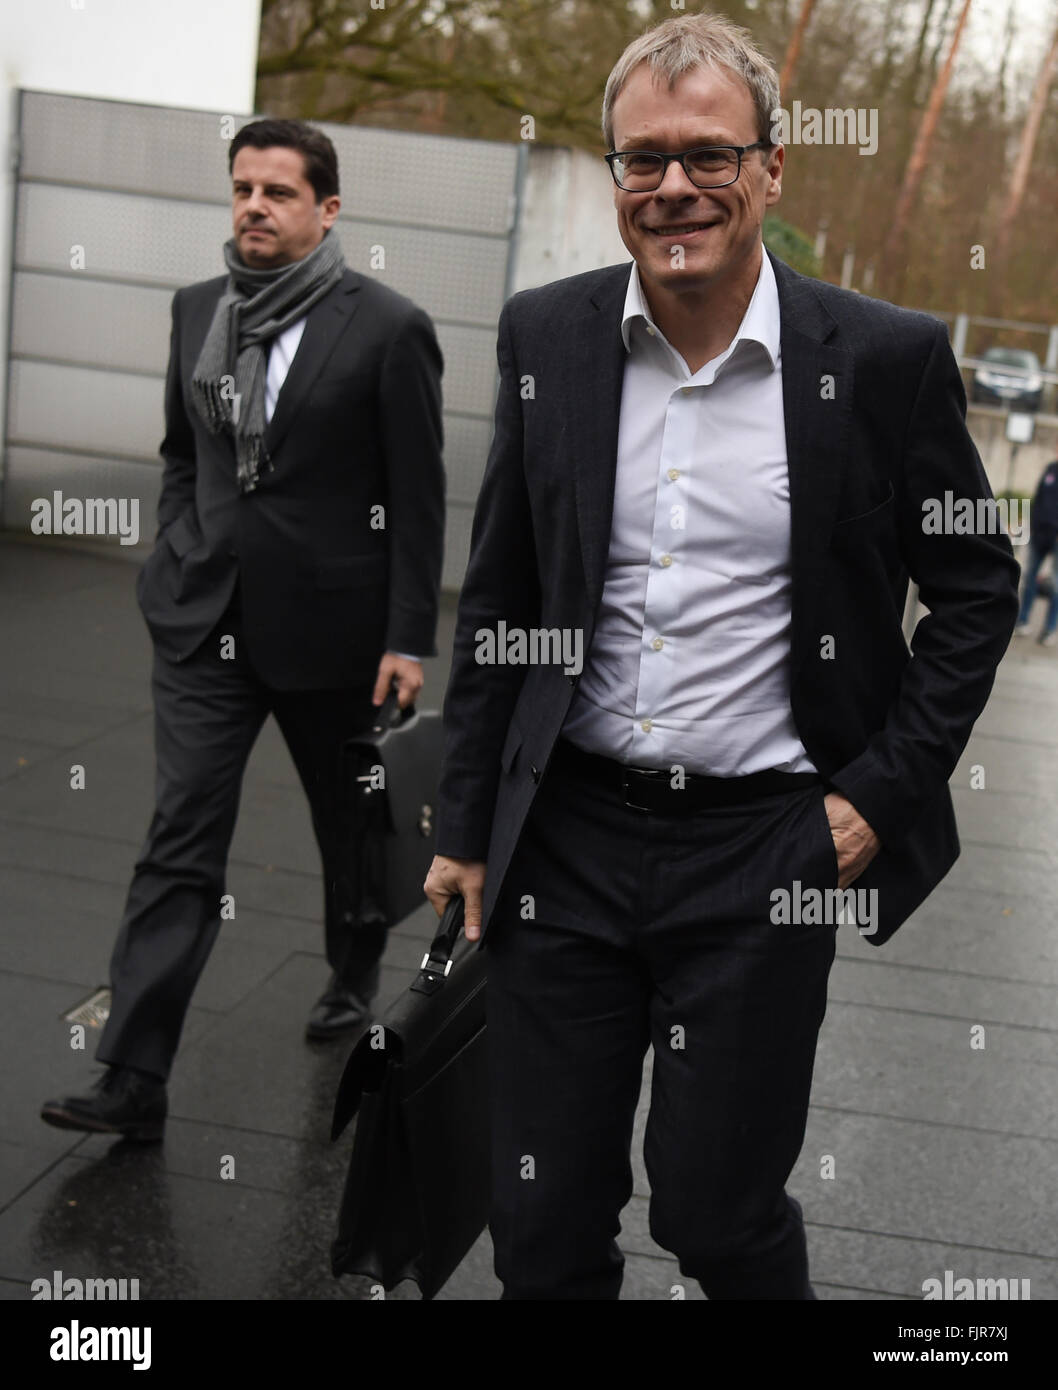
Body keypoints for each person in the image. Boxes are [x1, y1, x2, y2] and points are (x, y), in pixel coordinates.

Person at [424, 12, 1019, 1300]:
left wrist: (874, 795)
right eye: (641, 160)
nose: (672, 186)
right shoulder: (547, 338)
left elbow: (977, 586)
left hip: (765, 854)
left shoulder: (883, 362)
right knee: (539, 1226)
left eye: (707, 154)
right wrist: (464, 820)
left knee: (718, 1216)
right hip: (564, 845)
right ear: (613, 174)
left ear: (770, 169)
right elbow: (504, 599)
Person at [41, 119, 445, 1141]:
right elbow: (184, 452)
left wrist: (407, 636)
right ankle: (133, 1072)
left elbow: (417, 495)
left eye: (276, 191)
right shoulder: (194, 312)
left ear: (326, 209)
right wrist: (176, 544)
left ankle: (353, 964)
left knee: (347, 825)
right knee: (180, 837)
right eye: (241, 189)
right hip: (201, 619)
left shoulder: (388, 327)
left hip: (335, 632)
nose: (253, 207)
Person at [1014, 458, 1058, 646]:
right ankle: (1022, 621)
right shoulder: (1051, 469)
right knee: (1029, 576)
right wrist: (1031, 523)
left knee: (1056, 584)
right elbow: (1038, 498)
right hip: (1039, 533)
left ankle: (1049, 629)